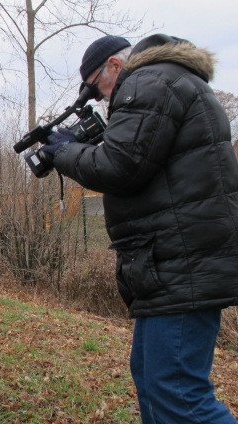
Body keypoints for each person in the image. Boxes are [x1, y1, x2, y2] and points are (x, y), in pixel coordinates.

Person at [41, 34, 238, 423]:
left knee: (177, 391)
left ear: (115, 66)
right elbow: (142, 161)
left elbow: (120, 167)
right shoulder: (168, 82)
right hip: (165, 263)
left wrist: (63, 151)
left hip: (182, 263)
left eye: (98, 89)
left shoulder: (150, 81)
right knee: (151, 379)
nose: (102, 101)